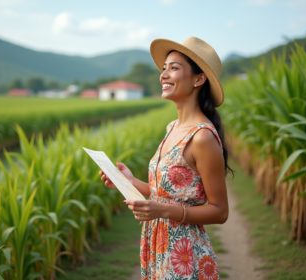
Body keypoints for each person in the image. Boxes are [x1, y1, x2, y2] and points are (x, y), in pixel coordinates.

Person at [99, 36, 232, 280]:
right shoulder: (172, 127)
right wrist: (128, 181)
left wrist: (164, 211)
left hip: (183, 255)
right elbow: (168, 194)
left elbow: (220, 211)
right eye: (163, 68)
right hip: (157, 246)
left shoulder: (201, 137)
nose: (163, 75)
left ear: (198, 79)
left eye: (174, 68)